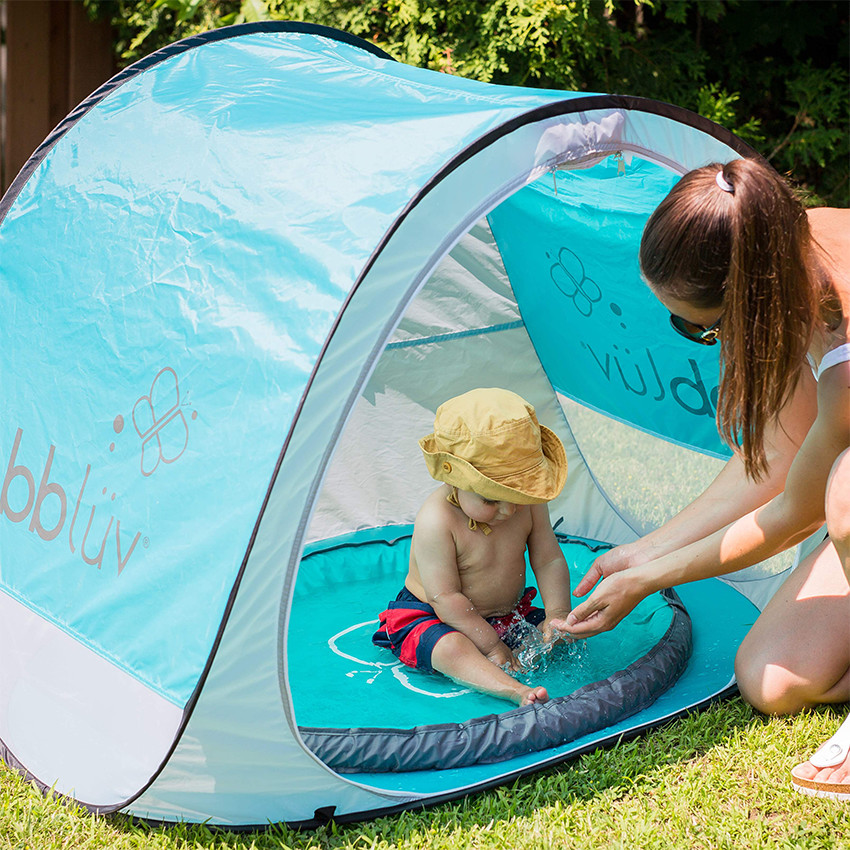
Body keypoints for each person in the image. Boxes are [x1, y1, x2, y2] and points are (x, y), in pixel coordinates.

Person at [549, 157, 850, 799]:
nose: (699, 338)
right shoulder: (793, 254)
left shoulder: (845, 353)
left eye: (699, 327)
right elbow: (775, 461)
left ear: (750, 299)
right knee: (773, 678)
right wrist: (644, 550)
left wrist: (652, 579)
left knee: (845, 492)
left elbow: (799, 506)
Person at [372, 387, 572, 706]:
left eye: (518, 496)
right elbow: (445, 597)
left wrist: (558, 613)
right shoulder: (437, 520)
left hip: (507, 613)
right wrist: (492, 646)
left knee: (560, 639)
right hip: (436, 615)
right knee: (453, 649)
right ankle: (514, 690)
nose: (508, 511)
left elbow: (548, 559)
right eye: (491, 499)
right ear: (455, 481)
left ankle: (523, 652)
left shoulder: (527, 504)